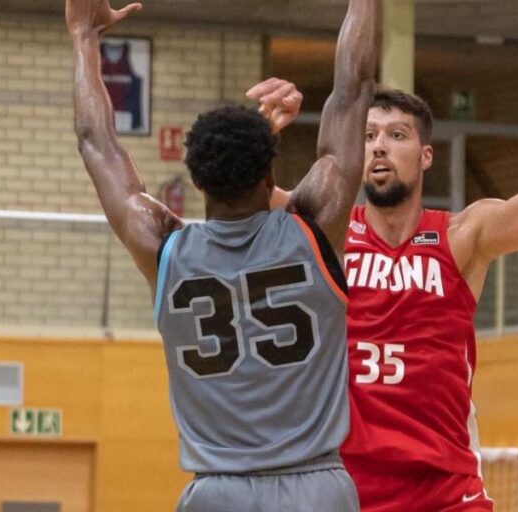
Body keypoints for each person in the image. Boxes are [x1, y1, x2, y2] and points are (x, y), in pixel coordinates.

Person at [263, 26, 518, 511]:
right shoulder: (328, 231)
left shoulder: (463, 235)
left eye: (396, 135)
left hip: (446, 490)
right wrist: (263, 134)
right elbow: (246, 199)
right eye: (368, 136)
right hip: (344, 489)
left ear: (425, 157)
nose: (379, 146)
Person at [65, 0, 377, 509]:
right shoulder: (312, 226)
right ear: (269, 174)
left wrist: (83, 33)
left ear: (196, 181)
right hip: (315, 486)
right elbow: (354, 89)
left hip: (217, 490)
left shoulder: (162, 247)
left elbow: (95, 142)